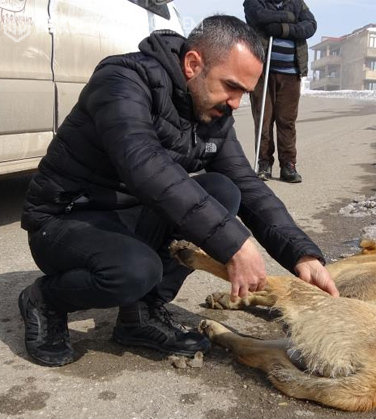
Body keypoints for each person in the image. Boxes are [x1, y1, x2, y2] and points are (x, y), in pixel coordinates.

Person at [18, 15, 339, 368]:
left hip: (127, 213)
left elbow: (247, 184)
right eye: (230, 86)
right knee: (136, 270)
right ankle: (45, 300)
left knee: (223, 190)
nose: (235, 103)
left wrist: (301, 254)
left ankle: (141, 316)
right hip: (66, 219)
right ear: (192, 64)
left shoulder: (212, 111)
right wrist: (234, 243)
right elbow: (143, 164)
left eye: (243, 93)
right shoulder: (123, 80)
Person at [244, 0, 317, 183]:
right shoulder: (254, 1)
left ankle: (288, 165)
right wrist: (288, 18)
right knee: (263, 119)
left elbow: (310, 26)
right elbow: (257, 16)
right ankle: (264, 163)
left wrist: (283, 30)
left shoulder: (297, 3)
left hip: (291, 72)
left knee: (287, 121)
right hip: (262, 71)